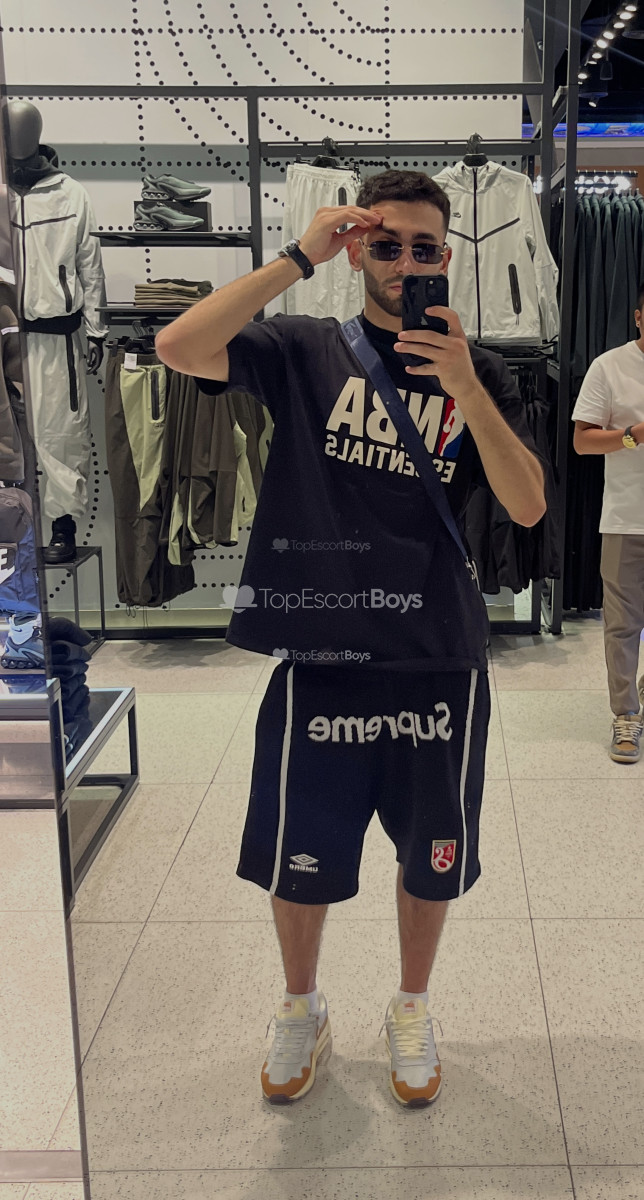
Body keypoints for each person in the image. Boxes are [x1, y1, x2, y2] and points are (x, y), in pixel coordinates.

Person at [156, 170, 546, 1109]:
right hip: (322, 647)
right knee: (303, 849)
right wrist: (299, 255)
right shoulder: (304, 348)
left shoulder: (481, 371)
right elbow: (178, 346)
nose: (406, 263)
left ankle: (412, 1005)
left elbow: (529, 505)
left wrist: (464, 385)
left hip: (437, 650)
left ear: (446, 257)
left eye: (424, 248)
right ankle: (302, 1006)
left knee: (432, 850)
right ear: (359, 250)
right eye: (387, 244)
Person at [573, 283, 644, 763]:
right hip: (626, 517)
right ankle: (625, 715)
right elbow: (582, 441)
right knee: (621, 624)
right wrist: (634, 436)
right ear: (638, 316)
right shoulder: (610, 366)